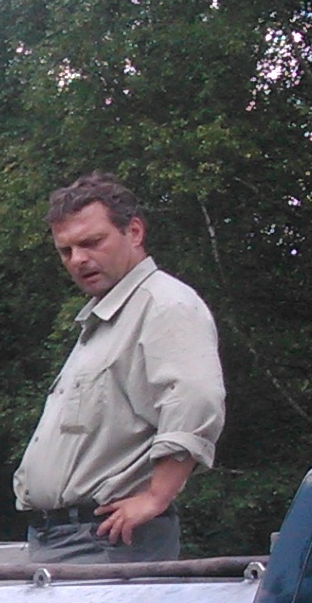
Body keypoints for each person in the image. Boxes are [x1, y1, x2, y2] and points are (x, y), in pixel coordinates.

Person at [13, 172, 225, 565]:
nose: (78, 259)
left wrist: (155, 498)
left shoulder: (164, 304)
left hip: (111, 539)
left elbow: (195, 399)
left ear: (134, 232)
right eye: (66, 250)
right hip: (65, 539)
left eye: (92, 242)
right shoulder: (108, 318)